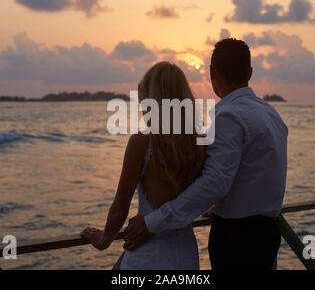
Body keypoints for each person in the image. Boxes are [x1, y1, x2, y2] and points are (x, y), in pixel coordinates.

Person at [123, 38, 289, 270]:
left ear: (212, 71)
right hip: (269, 232)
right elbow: (252, 175)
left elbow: (215, 182)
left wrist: (152, 222)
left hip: (237, 239)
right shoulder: (271, 115)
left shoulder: (227, 117)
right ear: (250, 72)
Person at [80, 62, 206, 269]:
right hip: (185, 253)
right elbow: (204, 192)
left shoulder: (142, 143)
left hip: (147, 252)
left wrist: (104, 240)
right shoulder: (201, 142)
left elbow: (120, 208)